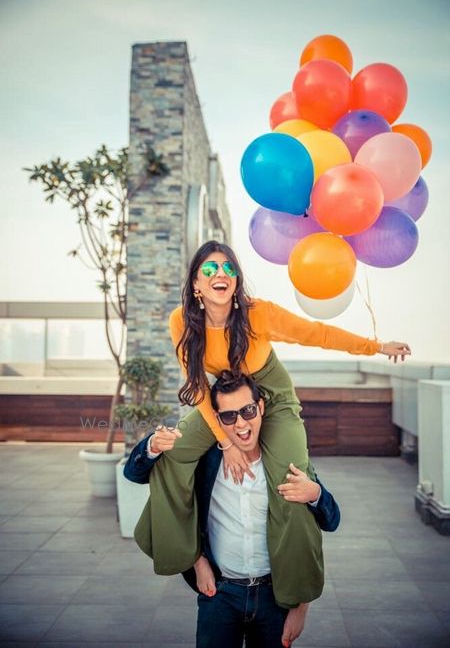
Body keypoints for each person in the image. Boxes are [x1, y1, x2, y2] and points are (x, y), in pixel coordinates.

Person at [134, 240, 410, 607]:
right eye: (211, 269)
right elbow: (199, 387)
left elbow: (319, 334)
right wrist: (227, 443)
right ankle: (189, 554)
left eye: (229, 268)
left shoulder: (258, 314)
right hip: (226, 403)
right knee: (172, 453)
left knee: (291, 480)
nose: (222, 274)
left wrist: (377, 346)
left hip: (273, 398)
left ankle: (297, 594)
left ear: (236, 279)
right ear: (196, 284)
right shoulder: (181, 321)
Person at [125, 371, 341, 648]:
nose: (240, 423)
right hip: (220, 594)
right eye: (228, 416)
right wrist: (197, 560)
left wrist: (315, 494)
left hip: (275, 596)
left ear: (261, 407)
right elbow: (136, 473)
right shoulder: (205, 461)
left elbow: (331, 519)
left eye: (248, 410)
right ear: (216, 420)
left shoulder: (285, 461)